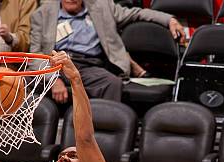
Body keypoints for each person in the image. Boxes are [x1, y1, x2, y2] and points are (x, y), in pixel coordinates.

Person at [30, 0, 185, 103]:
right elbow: (35, 56)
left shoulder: (102, 7)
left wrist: (169, 20)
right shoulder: (42, 14)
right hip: (57, 65)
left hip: (89, 67)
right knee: (25, 82)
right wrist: (53, 79)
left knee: (113, 84)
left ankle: (103, 133)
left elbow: (137, 13)